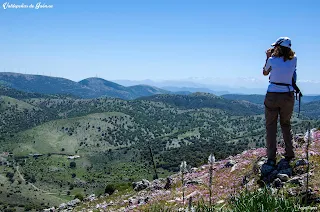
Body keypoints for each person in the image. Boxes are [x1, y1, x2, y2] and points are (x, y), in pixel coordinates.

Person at [262, 37, 297, 169]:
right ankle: (289, 152)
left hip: (273, 94)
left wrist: (267, 56)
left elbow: (265, 72)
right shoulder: (294, 59)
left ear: (278, 47)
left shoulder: (272, 60)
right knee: (286, 124)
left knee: (271, 126)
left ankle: (271, 158)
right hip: (288, 94)